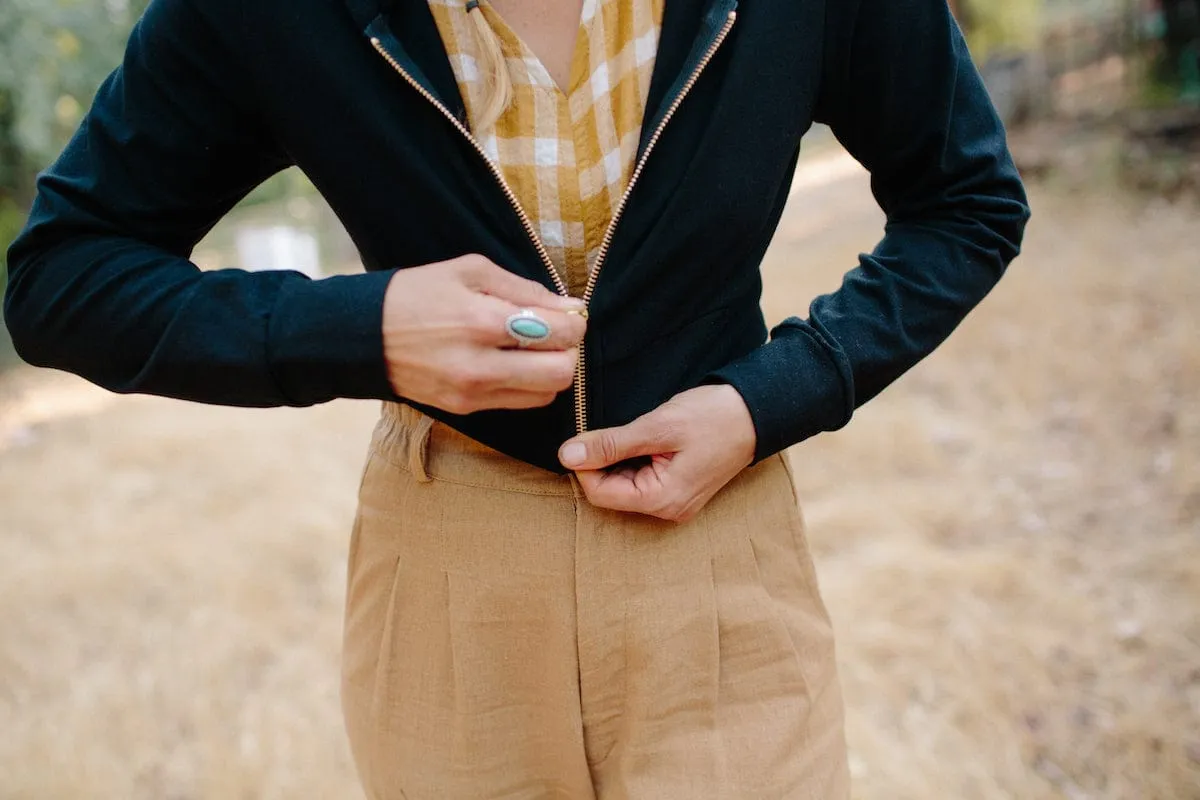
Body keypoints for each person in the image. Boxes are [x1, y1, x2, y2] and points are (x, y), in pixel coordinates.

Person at [3, 0, 1030, 795]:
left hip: (722, 559)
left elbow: (965, 200)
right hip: (448, 562)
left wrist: (774, 395)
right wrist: (363, 327)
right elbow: (63, 275)